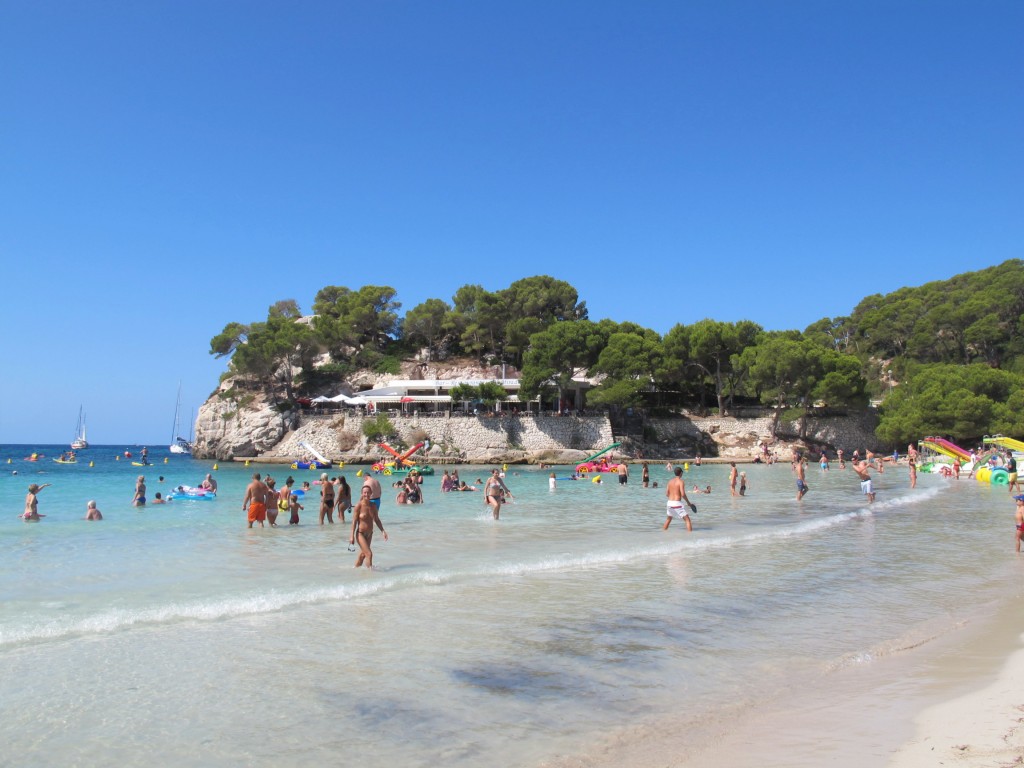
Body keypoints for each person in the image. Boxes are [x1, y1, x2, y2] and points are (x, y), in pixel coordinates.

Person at [350, 485, 388, 568]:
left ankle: (354, 570)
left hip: (370, 534)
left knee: (363, 555)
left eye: (368, 492)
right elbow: (354, 522)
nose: (366, 494)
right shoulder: (358, 506)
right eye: (364, 493)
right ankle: (370, 575)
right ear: (362, 494)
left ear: (371, 493)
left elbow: (377, 519)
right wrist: (351, 536)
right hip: (360, 534)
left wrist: (383, 531)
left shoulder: (373, 506)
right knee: (369, 554)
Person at [663, 468, 696, 532]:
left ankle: (663, 533)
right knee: (687, 520)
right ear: (681, 473)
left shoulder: (670, 481)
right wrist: (688, 503)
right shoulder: (681, 482)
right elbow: (683, 494)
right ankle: (690, 537)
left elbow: (667, 494)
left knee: (668, 519)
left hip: (669, 503)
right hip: (677, 503)